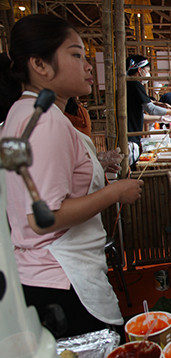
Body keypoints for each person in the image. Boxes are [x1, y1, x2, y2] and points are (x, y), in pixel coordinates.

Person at [0, 14, 144, 339]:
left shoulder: (20, 113)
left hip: (36, 276)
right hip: (62, 278)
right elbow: (43, 218)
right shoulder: (46, 121)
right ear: (40, 64)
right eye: (76, 54)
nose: (88, 65)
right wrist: (116, 192)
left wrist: (95, 167)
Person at [126, 55, 171, 164]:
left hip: (129, 138)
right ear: (140, 70)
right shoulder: (134, 84)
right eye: (147, 71)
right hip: (129, 139)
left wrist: (161, 119)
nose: (148, 74)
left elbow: (139, 116)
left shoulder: (127, 84)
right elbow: (151, 109)